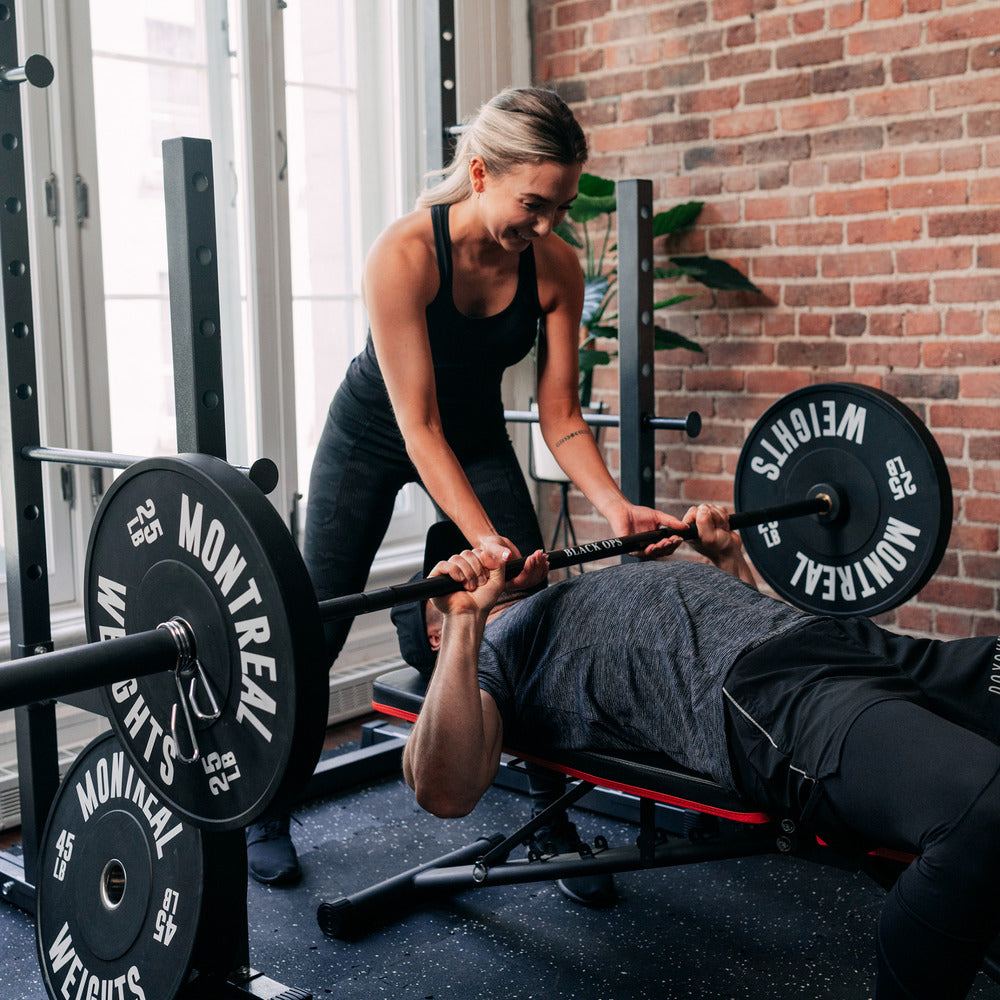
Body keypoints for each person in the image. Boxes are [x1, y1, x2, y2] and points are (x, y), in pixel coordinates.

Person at [246, 86, 677, 889]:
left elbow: (560, 417)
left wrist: (614, 505)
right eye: (534, 204)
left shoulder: (554, 265)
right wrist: (485, 539)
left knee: (522, 611)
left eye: (559, 208)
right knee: (320, 621)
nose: (545, 226)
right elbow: (417, 427)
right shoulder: (404, 253)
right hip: (377, 432)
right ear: (480, 172)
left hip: (473, 435)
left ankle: (551, 818)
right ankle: (267, 805)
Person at [401, 504, 1000, 1000]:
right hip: (771, 696)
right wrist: (464, 622)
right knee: (978, 811)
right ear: (434, 632)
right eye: (461, 570)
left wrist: (727, 559)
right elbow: (443, 788)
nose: (491, 561)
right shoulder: (488, 649)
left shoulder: (577, 586)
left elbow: (737, 624)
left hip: (827, 639)